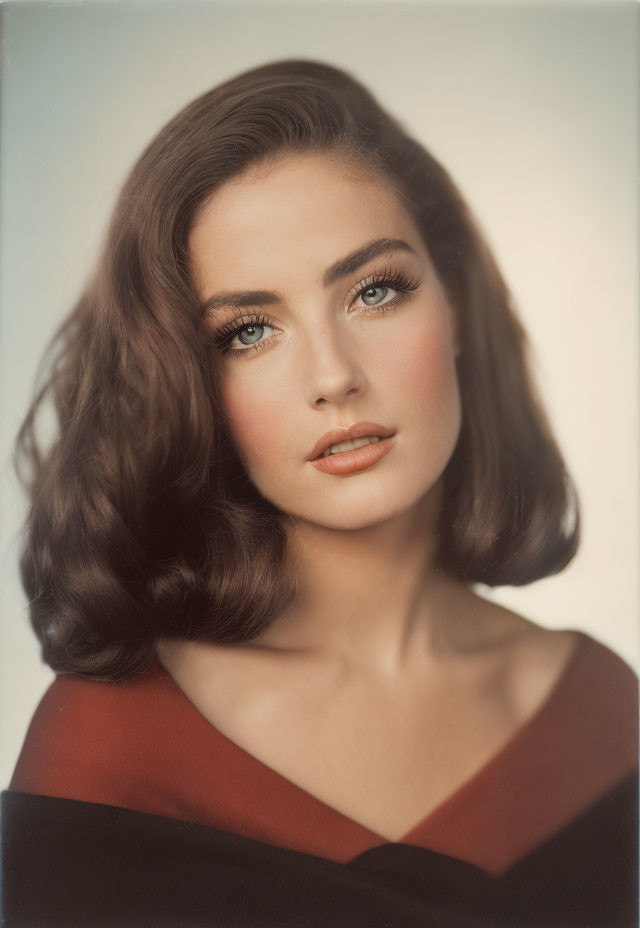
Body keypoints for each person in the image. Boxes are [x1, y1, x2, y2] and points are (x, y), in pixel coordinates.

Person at [2, 59, 637, 927]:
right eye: (249, 332)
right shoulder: (112, 741)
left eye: (375, 291)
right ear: (189, 385)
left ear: (453, 305)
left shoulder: (602, 715)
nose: (333, 376)